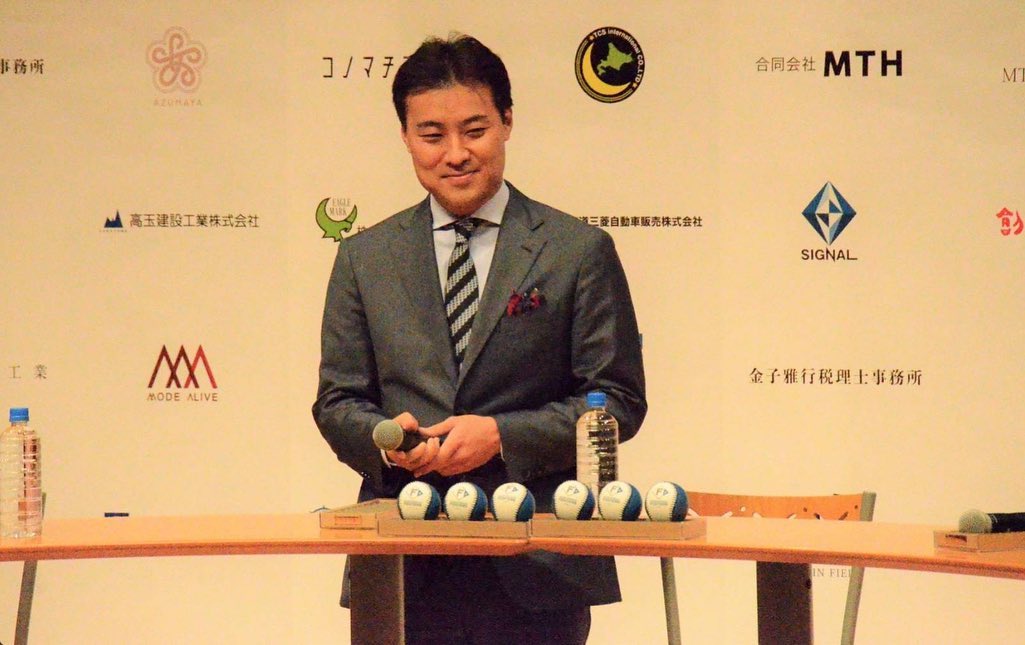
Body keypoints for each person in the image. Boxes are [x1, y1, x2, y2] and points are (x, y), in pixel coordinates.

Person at [313, 33, 646, 644]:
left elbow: (618, 401)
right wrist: (388, 442)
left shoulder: (577, 252)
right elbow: (338, 402)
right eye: (431, 135)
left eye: (475, 130)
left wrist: (501, 436)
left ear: (507, 122)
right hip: (403, 562)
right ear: (406, 137)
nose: (456, 154)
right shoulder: (364, 258)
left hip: (540, 560)